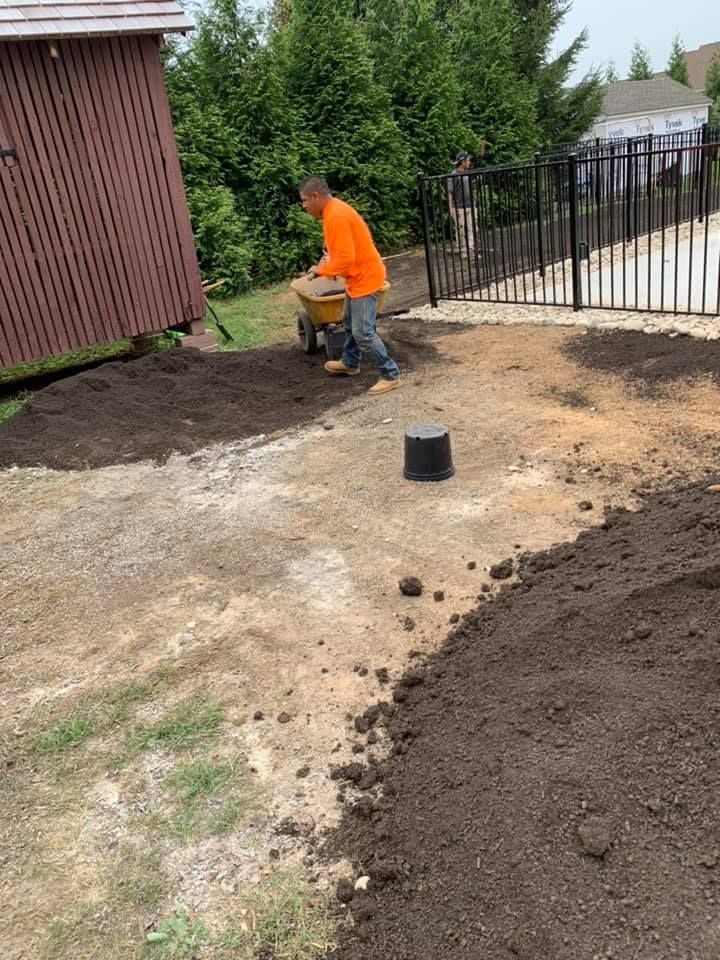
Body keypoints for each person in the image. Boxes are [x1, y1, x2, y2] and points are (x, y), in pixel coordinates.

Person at [299, 177, 400, 396]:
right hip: (357, 277)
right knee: (348, 320)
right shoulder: (331, 213)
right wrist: (327, 265)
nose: (304, 206)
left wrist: (322, 270)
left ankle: (390, 374)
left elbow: (345, 258)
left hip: (366, 278)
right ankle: (350, 362)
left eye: (305, 200)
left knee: (363, 332)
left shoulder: (336, 216)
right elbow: (338, 253)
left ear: (316, 196)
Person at [447, 150, 475, 254]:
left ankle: (471, 248)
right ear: (462, 161)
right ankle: (462, 249)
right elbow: (450, 192)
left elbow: (467, 186)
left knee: (471, 227)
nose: (469, 162)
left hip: (470, 204)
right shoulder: (453, 175)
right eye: (468, 160)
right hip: (458, 207)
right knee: (460, 230)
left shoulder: (468, 173)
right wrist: (450, 208)